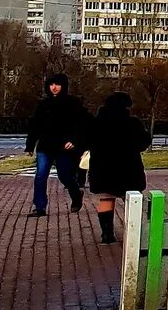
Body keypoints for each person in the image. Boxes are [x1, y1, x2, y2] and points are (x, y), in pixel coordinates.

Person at [86, 92, 151, 245]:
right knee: (131, 200)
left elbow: (88, 141)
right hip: (128, 168)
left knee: (106, 199)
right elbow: (142, 143)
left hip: (103, 169)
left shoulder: (97, 123)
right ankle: (133, 232)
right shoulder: (132, 123)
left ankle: (107, 234)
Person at [24, 71, 90, 217]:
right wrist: (30, 145)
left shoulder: (72, 103)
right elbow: (35, 125)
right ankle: (40, 206)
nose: (54, 88)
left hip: (63, 147)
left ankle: (76, 195)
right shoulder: (43, 104)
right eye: (51, 85)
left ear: (63, 86)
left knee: (65, 175)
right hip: (45, 146)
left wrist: (74, 141)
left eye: (57, 85)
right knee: (40, 175)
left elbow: (82, 125)